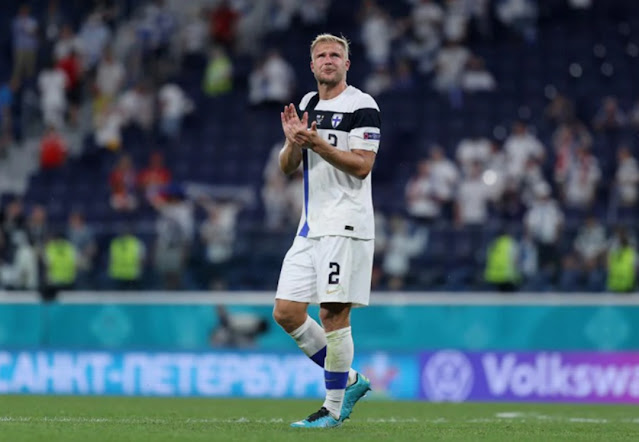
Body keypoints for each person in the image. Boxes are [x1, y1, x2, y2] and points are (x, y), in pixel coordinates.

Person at [273, 34, 381, 428]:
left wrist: (317, 144)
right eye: (321, 55)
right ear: (312, 65)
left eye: (336, 54)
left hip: (345, 223)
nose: (329, 60)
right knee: (286, 312)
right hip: (310, 226)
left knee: (333, 313)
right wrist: (293, 143)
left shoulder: (361, 105)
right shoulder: (307, 104)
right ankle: (349, 380)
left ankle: (332, 409)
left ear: (347, 64)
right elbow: (288, 166)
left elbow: (362, 166)